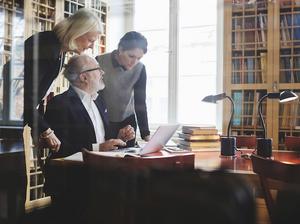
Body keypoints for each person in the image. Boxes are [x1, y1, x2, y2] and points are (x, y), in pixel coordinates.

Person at [24, 8, 102, 152]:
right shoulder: (47, 45)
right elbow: (25, 97)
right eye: (91, 40)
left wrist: (39, 128)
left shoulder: (60, 51)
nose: (91, 46)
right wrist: (45, 130)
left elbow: (36, 97)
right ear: (78, 32)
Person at [43, 54, 135, 158]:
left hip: (102, 166)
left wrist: (119, 138)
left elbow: (100, 138)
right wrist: (97, 148)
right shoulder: (59, 103)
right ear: (84, 77)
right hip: (74, 170)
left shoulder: (99, 101)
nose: (102, 72)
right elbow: (59, 147)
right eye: (98, 69)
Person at [95, 31, 150, 147]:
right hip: (103, 121)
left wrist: (146, 134)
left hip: (127, 122)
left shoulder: (140, 69)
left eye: (139, 58)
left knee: (127, 160)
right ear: (120, 49)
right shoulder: (99, 61)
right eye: (131, 56)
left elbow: (140, 102)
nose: (134, 62)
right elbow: (94, 97)